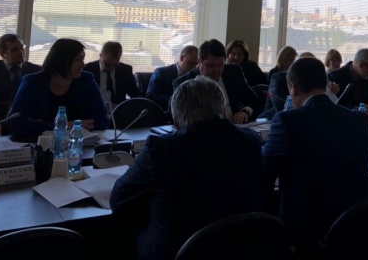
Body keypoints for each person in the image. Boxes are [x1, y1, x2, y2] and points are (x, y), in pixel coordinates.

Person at [110, 78, 264, 260]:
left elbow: (118, 200)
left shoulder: (161, 149)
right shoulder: (250, 140)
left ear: (175, 121)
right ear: (223, 111)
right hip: (240, 249)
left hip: (178, 252)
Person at [263, 57, 368, 250]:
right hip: (353, 224)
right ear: (325, 84)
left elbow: (266, 173)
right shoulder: (359, 119)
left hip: (305, 232)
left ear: (293, 89)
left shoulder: (286, 121)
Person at [9, 38, 108, 139]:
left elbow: (102, 120)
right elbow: (17, 124)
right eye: (78, 60)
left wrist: (41, 125)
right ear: (61, 61)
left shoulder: (86, 81)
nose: (83, 65)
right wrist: (65, 126)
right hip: (39, 144)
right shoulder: (32, 83)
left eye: (83, 59)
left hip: (79, 144)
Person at [173, 39, 258, 124]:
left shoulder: (234, 72)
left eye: (221, 65)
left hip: (233, 125)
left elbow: (252, 98)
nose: (217, 70)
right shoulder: (183, 83)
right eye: (211, 65)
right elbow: (176, 115)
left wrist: (245, 111)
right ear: (199, 62)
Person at [0, 34, 42, 133]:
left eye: (21, 47)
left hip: (28, 123)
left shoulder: (36, 71)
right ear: (2, 54)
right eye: (14, 50)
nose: (21, 52)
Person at [328, 48, 368, 118]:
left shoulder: (366, 76)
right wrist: (355, 109)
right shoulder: (334, 77)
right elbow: (332, 105)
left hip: (366, 120)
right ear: (361, 64)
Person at [84, 41, 141, 105]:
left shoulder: (125, 70)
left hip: (118, 109)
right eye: (107, 64)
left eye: (115, 65)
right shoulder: (88, 70)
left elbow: (136, 94)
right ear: (100, 55)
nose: (111, 68)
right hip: (95, 108)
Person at [145, 45, 198, 110]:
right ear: (182, 58)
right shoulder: (162, 72)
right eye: (191, 63)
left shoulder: (195, 76)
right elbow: (150, 96)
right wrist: (176, 100)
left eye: (196, 64)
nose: (193, 67)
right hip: (165, 111)